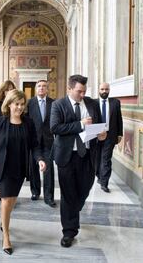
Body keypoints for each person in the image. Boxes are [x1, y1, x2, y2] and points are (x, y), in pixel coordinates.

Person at [0, 89, 46, 255]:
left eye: (22, 104)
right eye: (16, 104)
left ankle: (4, 222)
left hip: (20, 167)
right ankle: (6, 235)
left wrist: (39, 159)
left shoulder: (28, 123)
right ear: (9, 104)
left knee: (12, 200)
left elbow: (34, 144)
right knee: (5, 200)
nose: (19, 107)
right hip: (3, 167)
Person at [50, 75, 106, 248]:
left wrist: (101, 133)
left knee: (84, 189)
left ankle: (73, 211)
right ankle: (69, 231)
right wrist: (80, 124)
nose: (82, 94)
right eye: (79, 91)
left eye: (84, 91)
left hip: (87, 156)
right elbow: (55, 128)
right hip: (66, 156)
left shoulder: (92, 104)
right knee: (68, 194)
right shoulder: (58, 105)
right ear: (69, 89)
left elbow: (100, 125)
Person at [26, 79, 56, 207]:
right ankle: (35, 192)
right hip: (33, 140)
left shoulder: (54, 103)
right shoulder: (29, 103)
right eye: (39, 86)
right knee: (33, 168)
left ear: (47, 89)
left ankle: (49, 197)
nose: (42, 88)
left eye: (44, 86)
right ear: (36, 88)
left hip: (49, 141)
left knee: (48, 169)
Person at [96, 82, 123, 193]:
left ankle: (104, 183)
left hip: (110, 135)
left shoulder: (115, 102)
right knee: (97, 158)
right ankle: (99, 175)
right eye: (102, 89)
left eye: (106, 89)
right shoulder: (93, 103)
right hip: (96, 135)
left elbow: (119, 119)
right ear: (99, 90)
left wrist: (120, 133)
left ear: (109, 90)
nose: (104, 91)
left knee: (106, 159)